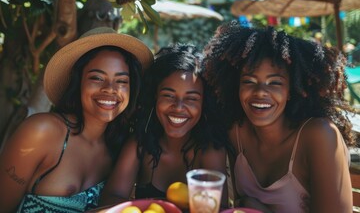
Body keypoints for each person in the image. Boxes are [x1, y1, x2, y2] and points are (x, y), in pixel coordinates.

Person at [202, 20, 355, 213]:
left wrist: (255, 207)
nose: (260, 92)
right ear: (237, 86)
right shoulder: (236, 131)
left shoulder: (319, 135)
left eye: (274, 83)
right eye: (249, 81)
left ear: (291, 90)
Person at [0, 27, 153, 212]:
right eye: (97, 78)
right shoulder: (42, 131)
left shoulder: (121, 147)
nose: (110, 89)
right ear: (78, 81)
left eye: (121, 81)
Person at [100, 43, 229, 208]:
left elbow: (218, 209)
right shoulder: (140, 144)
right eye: (168, 95)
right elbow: (111, 197)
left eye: (191, 98)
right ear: (154, 97)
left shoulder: (210, 151)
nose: (179, 107)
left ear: (204, 104)